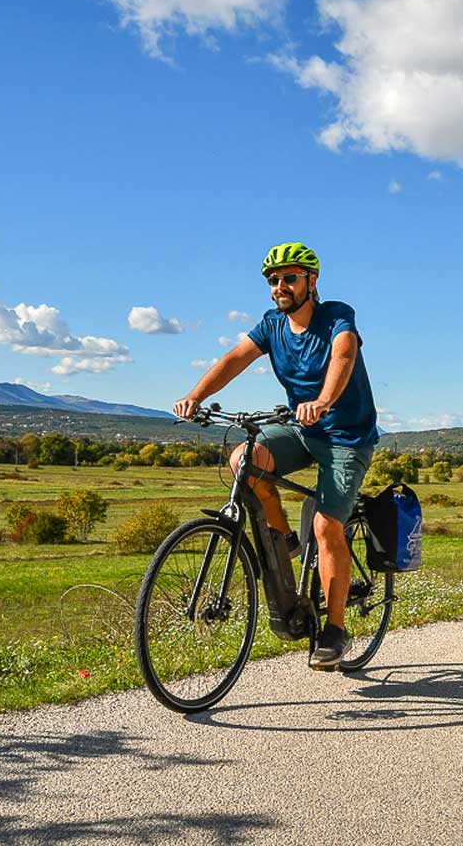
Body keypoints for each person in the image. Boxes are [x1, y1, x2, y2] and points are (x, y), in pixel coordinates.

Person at [174, 241, 378, 667]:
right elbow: (234, 359)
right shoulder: (272, 325)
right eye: (273, 280)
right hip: (302, 429)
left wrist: (323, 400)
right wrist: (195, 395)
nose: (280, 286)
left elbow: (344, 354)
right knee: (244, 462)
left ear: (311, 281)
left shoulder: (336, 316)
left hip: (345, 435)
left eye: (289, 278)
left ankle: (335, 631)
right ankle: (284, 539)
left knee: (326, 528)